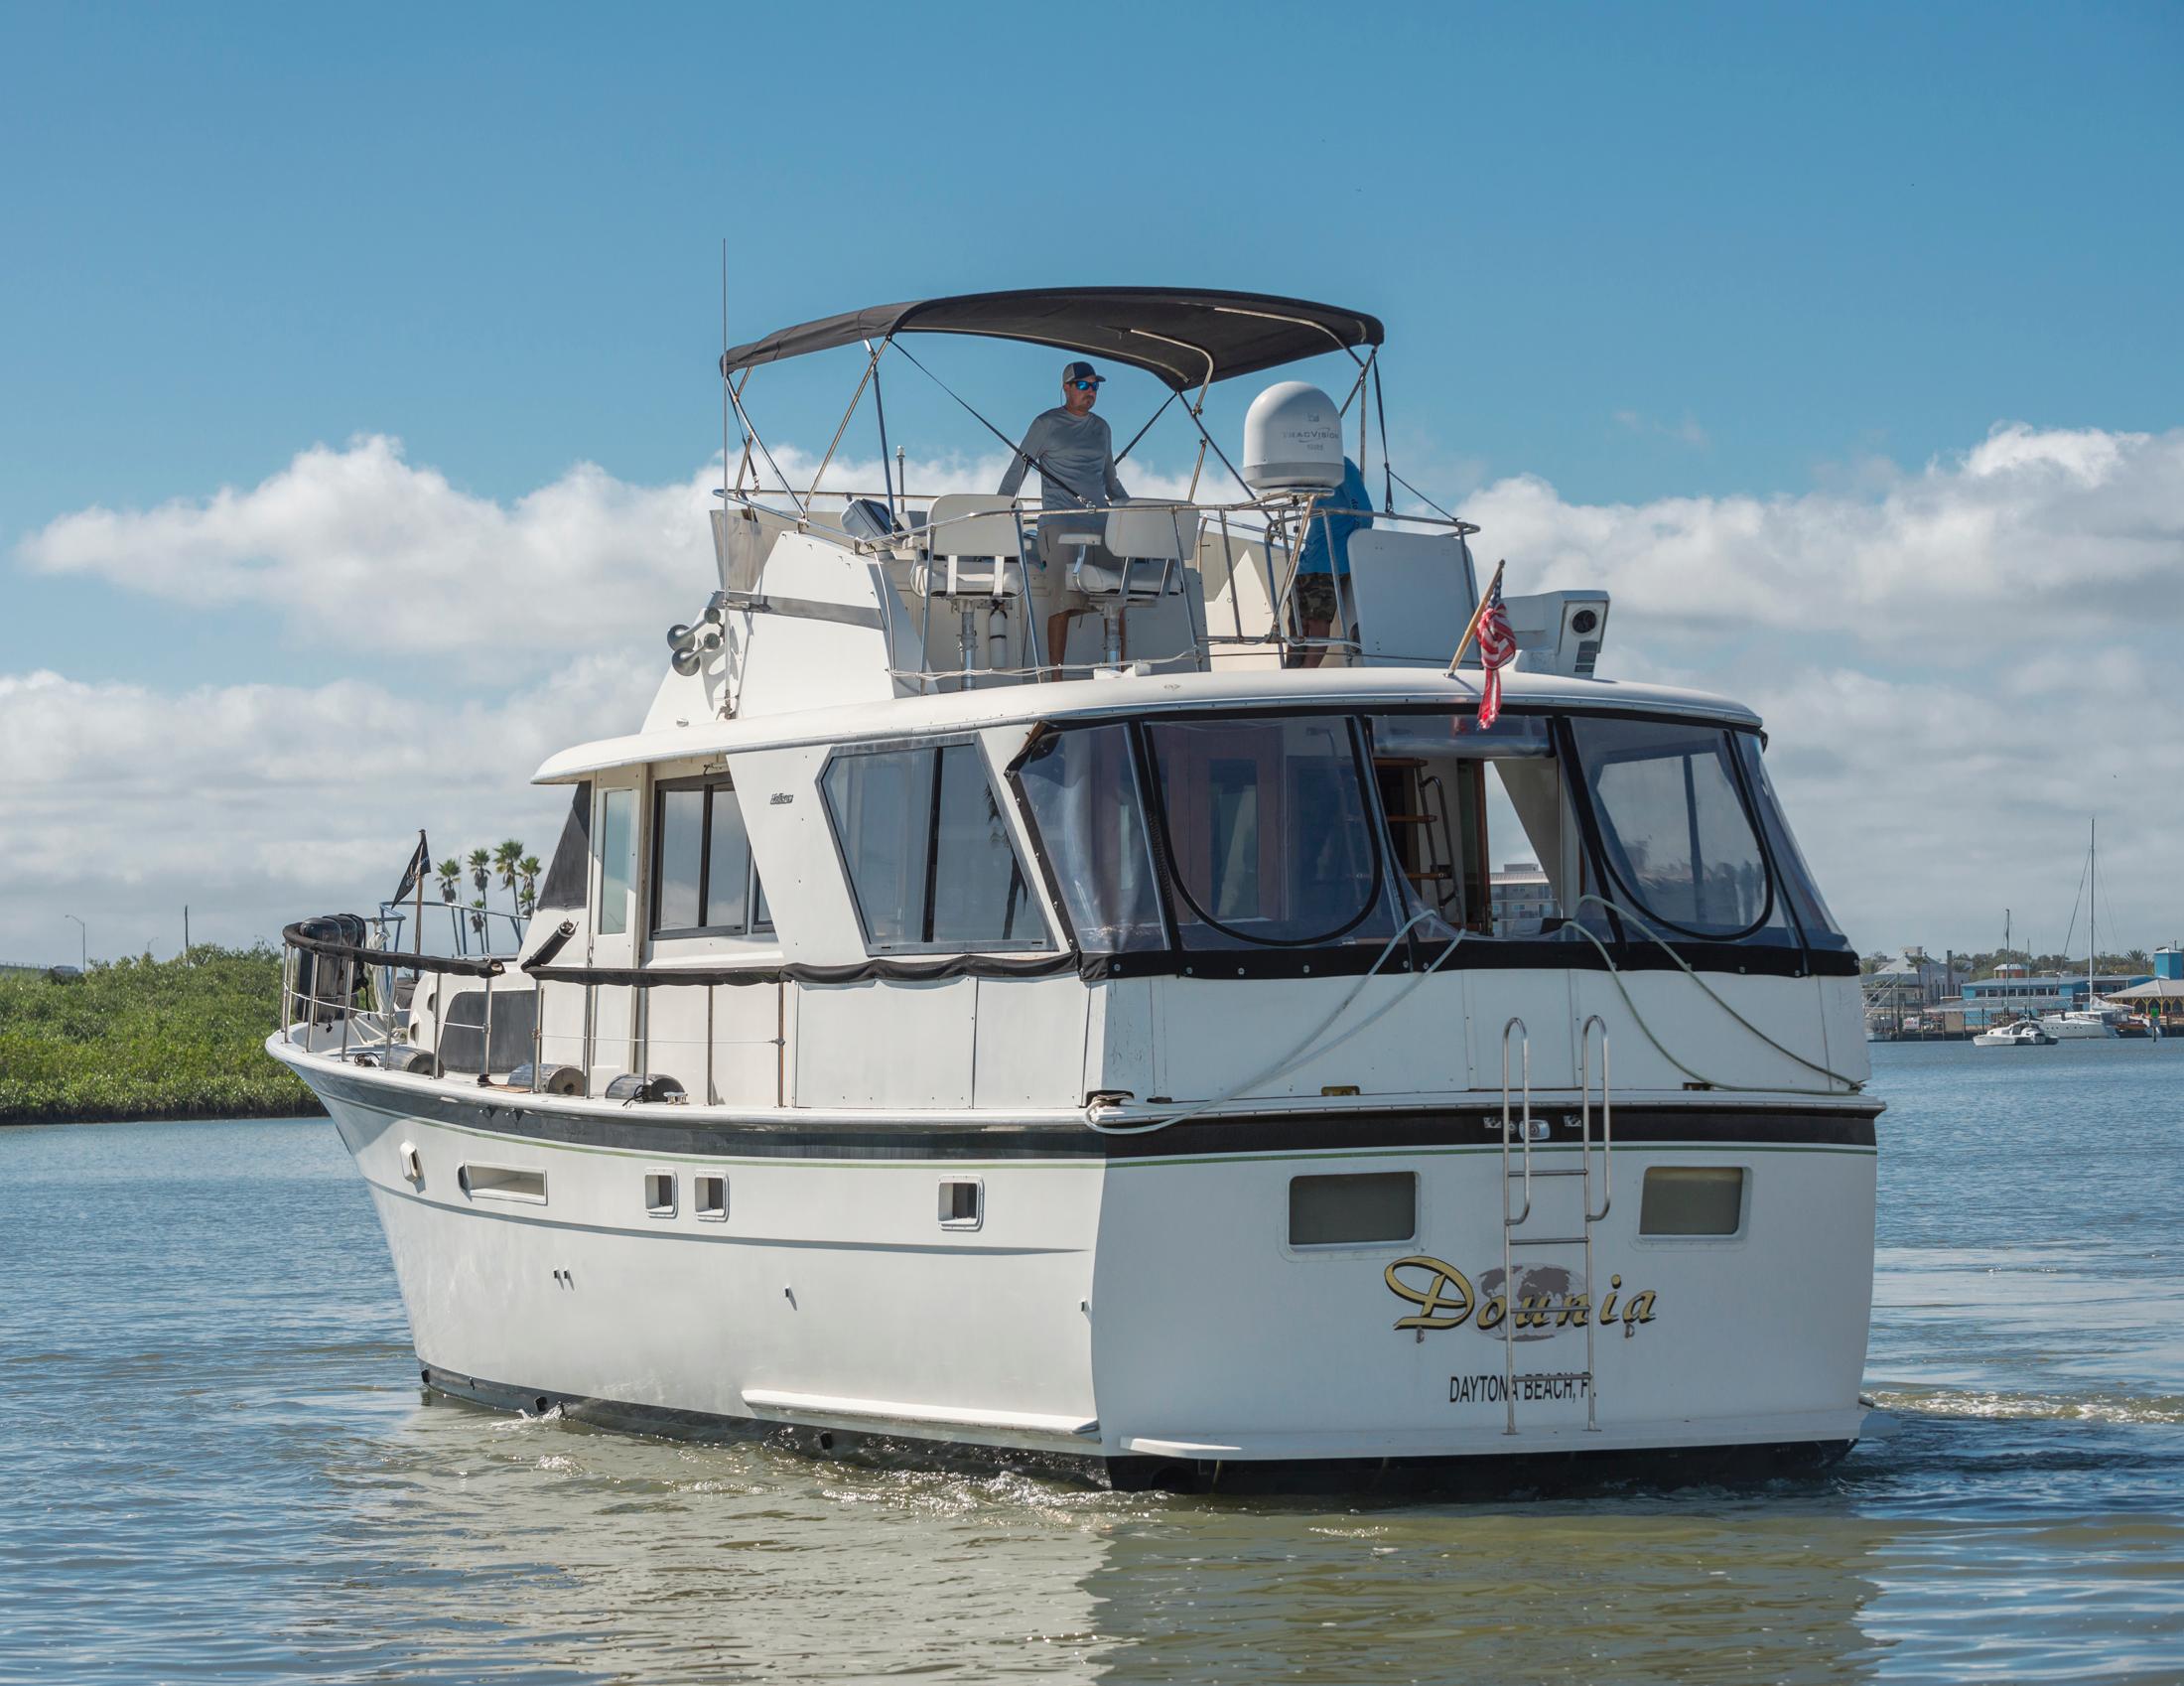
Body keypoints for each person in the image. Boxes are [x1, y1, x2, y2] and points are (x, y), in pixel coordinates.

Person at [998, 360, 1129, 673]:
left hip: (1102, 524)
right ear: (1066, 388)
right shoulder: (1046, 424)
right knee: (1063, 601)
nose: (1090, 392)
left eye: (1095, 386)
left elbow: (1111, 483)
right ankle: (1056, 677)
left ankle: (1122, 671)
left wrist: (1136, 511)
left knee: (1119, 601)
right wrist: (999, 510)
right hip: (1060, 523)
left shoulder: (1102, 428)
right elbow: (1018, 469)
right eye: (1083, 385)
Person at [1292, 455, 1374, 666]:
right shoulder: (1315, 468)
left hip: (1330, 563)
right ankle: (1291, 674)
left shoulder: (1342, 465)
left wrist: (1353, 548)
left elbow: (1364, 513)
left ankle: (1306, 676)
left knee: (1318, 621)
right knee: (1296, 624)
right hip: (1307, 561)